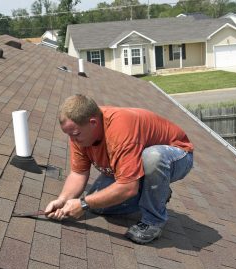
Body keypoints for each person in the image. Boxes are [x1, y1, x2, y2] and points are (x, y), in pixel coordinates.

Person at [45, 94, 194, 244]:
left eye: (75, 134)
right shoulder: (79, 133)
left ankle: (153, 221)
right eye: (69, 135)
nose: (72, 140)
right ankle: (155, 191)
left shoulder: (120, 130)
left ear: (93, 123)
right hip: (134, 164)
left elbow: (128, 187)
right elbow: (78, 173)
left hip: (177, 155)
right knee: (98, 206)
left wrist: (83, 203)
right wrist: (63, 200)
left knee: (152, 157)